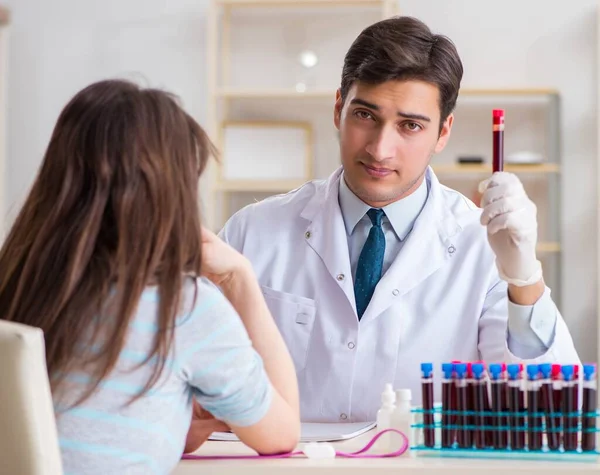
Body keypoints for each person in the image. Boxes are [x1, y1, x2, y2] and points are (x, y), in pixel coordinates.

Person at [218, 16, 580, 422]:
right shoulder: (252, 232)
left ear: (443, 133)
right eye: (366, 116)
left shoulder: (482, 247)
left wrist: (524, 278)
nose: (380, 149)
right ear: (339, 108)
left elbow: (548, 408)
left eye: (410, 125)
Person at [0, 79, 300, 473]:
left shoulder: (18, 281)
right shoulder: (182, 307)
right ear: (168, 192)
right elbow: (282, 435)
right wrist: (240, 277)